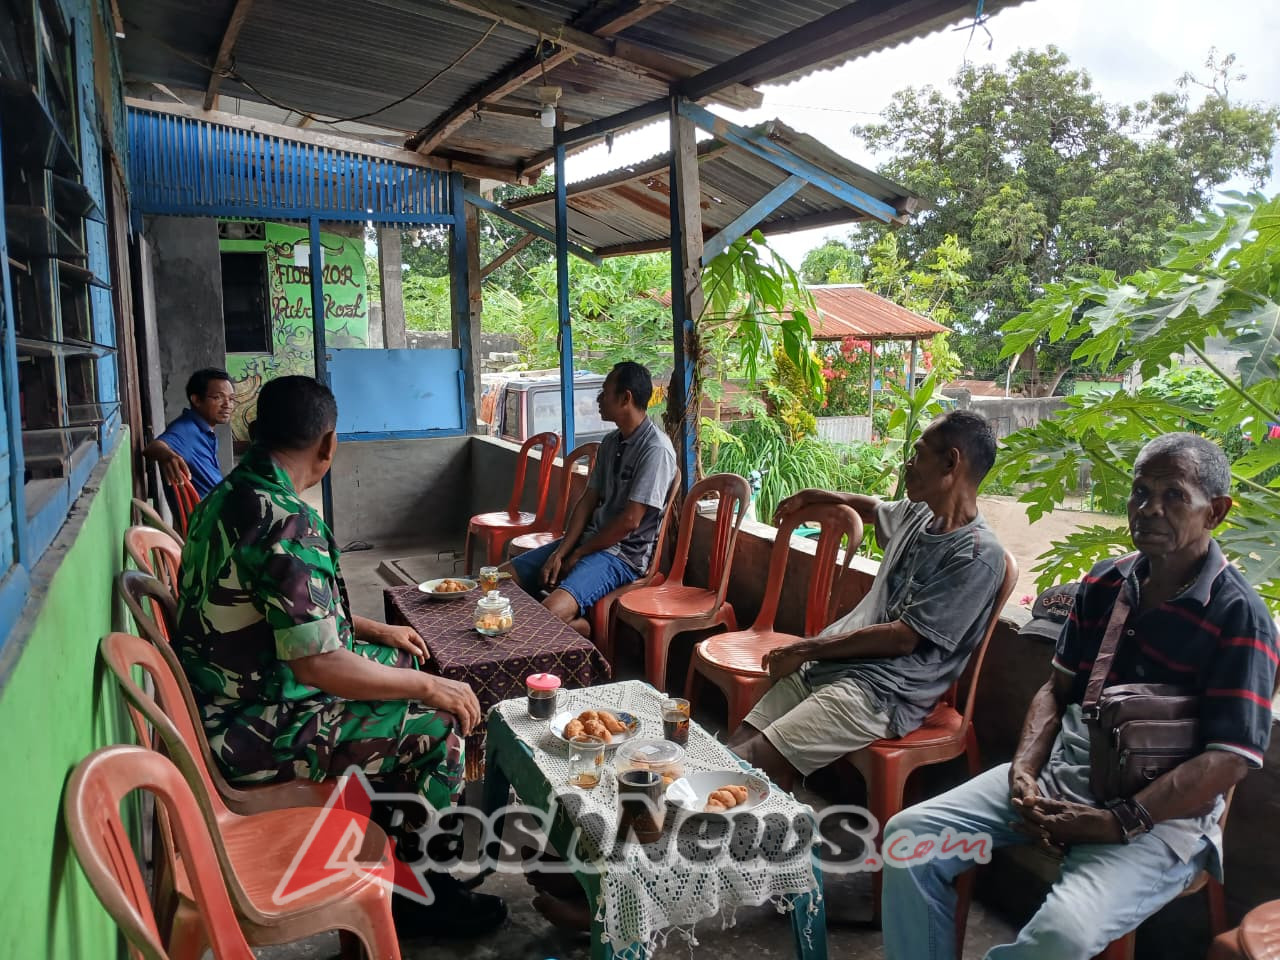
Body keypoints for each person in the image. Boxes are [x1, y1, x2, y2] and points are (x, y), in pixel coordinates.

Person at [882, 433, 1279, 959]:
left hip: (1156, 819)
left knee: (1062, 936)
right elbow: (1056, 690)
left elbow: (1229, 759)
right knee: (909, 840)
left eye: (1174, 495)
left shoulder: (1239, 616)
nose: (1149, 509)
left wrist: (1118, 821)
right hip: (1058, 777)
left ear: (1216, 512)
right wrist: (1024, 770)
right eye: (1140, 492)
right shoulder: (1105, 583)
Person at [174, 375, 505, 937]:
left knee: (402, 666)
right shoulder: (285, 520)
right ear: (328, 444)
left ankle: (391, 845)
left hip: (228, 698)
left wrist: (369, 629)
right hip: (252, 728)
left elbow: (281, 613)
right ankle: (423, 899)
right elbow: (317, 666)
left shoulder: (231, 495)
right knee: (439, 724)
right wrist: (429, 689)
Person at [727, 409, 1005, 790]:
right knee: (733, 747)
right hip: (835, 665)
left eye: (918, 453)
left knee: (751, 761)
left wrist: (809, 649)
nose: (908, 464)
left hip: (884, 691)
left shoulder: (976, 555)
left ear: (950, 462)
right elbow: (872, 509)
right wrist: (819, 495)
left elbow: (904, 637)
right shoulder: (919, 514)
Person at [503, 361, 677, 637]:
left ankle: (581, 629)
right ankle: (575, 627)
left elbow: (630, 522)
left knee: (547, 612)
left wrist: (579, 554)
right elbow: (588, 500)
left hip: (622, 557)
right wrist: (561, 552)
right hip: (588, 542)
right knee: (498, 580)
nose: (598, 399)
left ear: (625, 398)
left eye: (604, 393)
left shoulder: (656, 450)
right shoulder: (611, 443)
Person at [143, 368, 235, 498]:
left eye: (231, 399)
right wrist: (167, 456)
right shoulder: (186, 429)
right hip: (212, 514)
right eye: (217, 397)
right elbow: (152, 447)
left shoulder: (204, 430)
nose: (227, 405)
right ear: (196, 400)